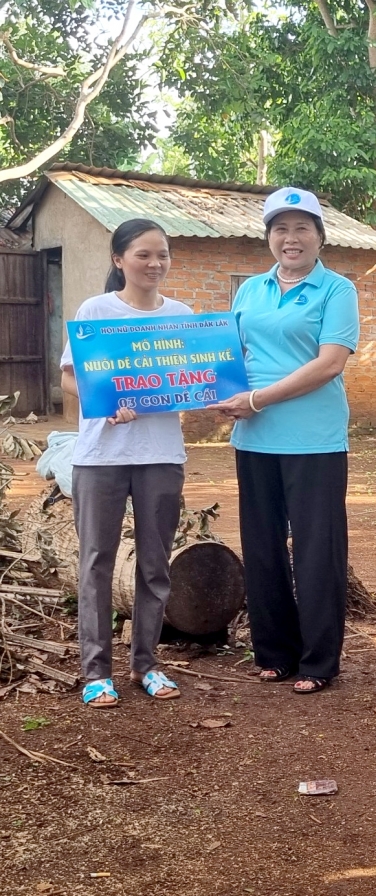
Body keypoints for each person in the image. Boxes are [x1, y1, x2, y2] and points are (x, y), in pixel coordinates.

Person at [209, 187, 358, 694]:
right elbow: (229, 355)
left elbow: (329, 364)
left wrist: (256, 400)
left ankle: (319, 662)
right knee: (263, 546)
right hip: (254, 439)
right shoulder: (250, 290)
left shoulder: (337, 290)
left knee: (318, 550)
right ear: (268, 236)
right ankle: (274, 652)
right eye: (280, 228)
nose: (290, 238)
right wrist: (213, 391)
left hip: (314, 440)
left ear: (319, 236)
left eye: (301, 228)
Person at [61, 218, 188, 707]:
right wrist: (106, 400)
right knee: (96, 563)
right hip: (100, 456)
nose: (155, 263)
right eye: (143, 255)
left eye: (162, 255)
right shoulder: (97, 310)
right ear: (119, 260)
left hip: (161, 454)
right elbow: (71, 377)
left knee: (155, 566)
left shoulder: (181, 316)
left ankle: (147, 665)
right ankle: (96, 672)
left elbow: (193, 380)